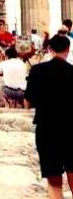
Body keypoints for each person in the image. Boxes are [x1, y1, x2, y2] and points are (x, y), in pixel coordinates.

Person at [25, 34, 73, 198]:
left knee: (54, 181)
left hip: (47, 129)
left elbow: (27, 103)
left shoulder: (37, 70)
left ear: (50, 49)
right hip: (71, 129)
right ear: (68, 49)